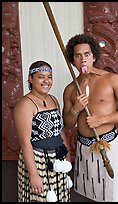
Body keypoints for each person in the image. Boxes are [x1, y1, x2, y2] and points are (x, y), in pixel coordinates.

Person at [62, 34, 118, 202]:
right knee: (90, 194)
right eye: (77, 55)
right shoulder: (71, 89)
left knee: (108, 196)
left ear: (94, 56)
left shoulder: (111, 80)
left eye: (86, 54)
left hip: (107, 145)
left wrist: (102, 119)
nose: (83, 60)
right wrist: (76, 109)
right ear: (72, 59)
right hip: (83, 147)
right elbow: (67, 123)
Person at [14, 60, 73, 202]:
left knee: (61, 197)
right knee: (40, 198)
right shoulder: (25, 104)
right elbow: (25, 142)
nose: (46, 81)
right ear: (31, 78)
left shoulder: (53, 99)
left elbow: (60, 131)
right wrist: (34, 174)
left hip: (58, 159)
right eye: (41, 76)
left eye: (49, 76)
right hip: (37, 161)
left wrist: (67, 156)